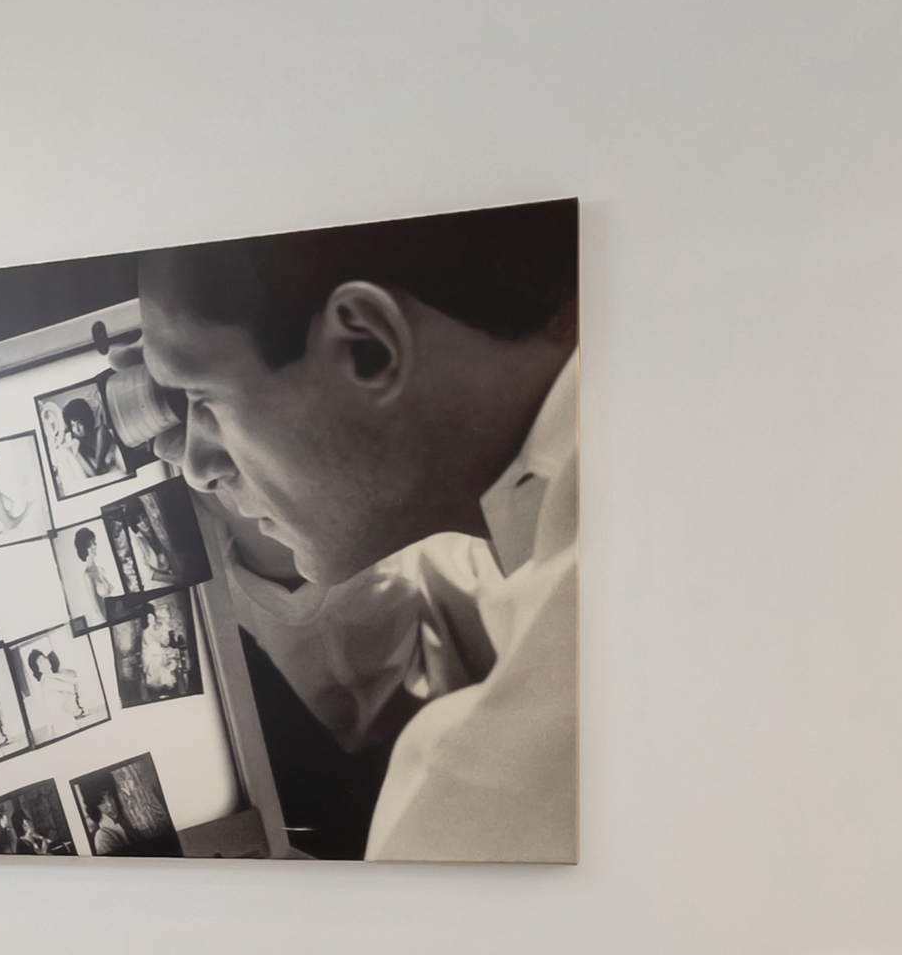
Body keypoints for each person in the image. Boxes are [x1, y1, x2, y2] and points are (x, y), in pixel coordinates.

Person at [132, 199, 579, 861]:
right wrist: (267, 501)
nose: (195, 467)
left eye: (202, 399)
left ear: (367, 347)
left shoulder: (494, 798)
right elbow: (447, 649)